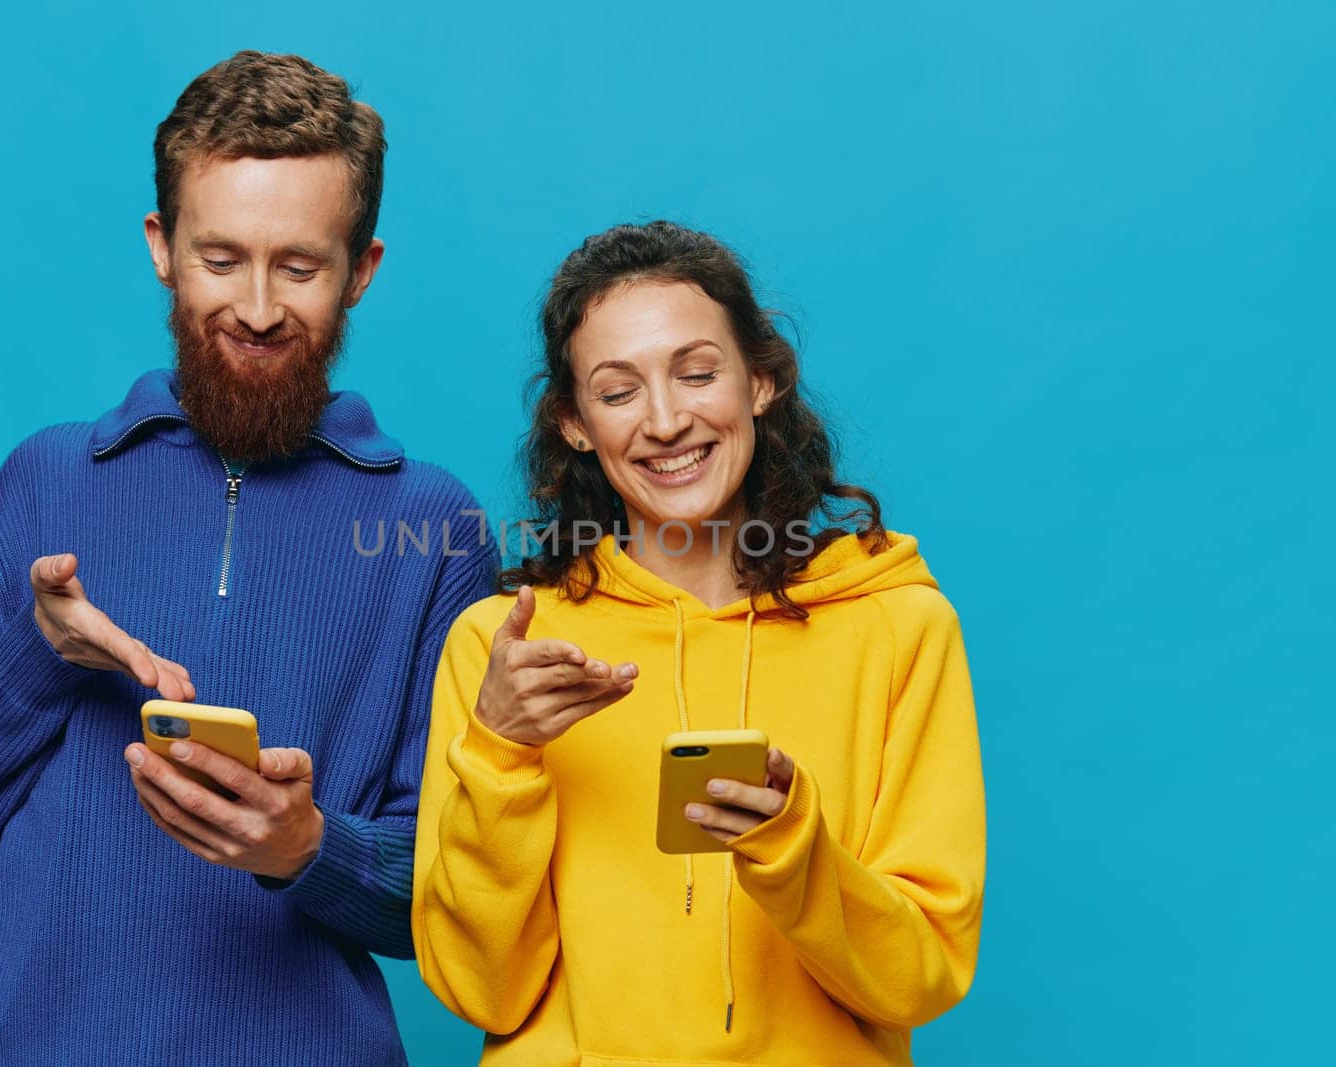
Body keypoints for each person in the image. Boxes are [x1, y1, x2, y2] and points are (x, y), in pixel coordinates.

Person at [0, 51, 494, 1066]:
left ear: (362, 269)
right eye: (221, 258)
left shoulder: (434, 528)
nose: (255, 308)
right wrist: (41, 656)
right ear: (163, 247)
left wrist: (308, 848)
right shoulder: (43, 482)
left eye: (299, 266)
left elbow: (464, 893)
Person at [413, 221, 985, 1065]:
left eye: (697, 373)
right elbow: (480, 991)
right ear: (575, 423)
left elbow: (922, 975)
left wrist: (795, 846)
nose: (668, 421)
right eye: (618, 392)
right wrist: (500, 754)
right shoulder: (503, 651)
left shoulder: (897, 625)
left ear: (761, 380)